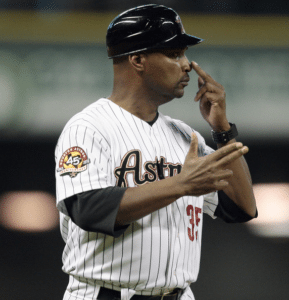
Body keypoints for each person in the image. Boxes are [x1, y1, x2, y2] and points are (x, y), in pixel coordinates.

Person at [55, 4, 257, 300]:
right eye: (175, 54)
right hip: (105, 293)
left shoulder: (185, 135)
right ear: (137, 60)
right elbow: (87, 209)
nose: (187, 65)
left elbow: (242, 208)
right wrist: (181, 184)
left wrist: (222, 130)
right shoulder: (88, 127)